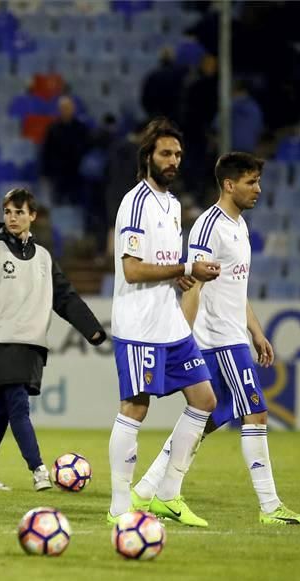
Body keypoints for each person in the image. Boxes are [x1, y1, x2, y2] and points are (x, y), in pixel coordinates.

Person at [131, 152, 300, 525]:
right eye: (251, 182)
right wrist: (180, 336)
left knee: (208, 418)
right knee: (257, 412)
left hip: (233, 335)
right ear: (229, 184)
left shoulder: (239, 226)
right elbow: (194, 284)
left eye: (258, 182)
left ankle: (147, 491)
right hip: (217, 339)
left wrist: (256, 330)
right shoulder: (208, 226)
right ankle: (270, 507)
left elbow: (234, 285)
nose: (258, 189)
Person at [106, 118, 221, 527]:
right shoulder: (135, 202)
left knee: (206, 401)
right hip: (138, 323)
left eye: (177, 155)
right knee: (135, 408)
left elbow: (166, 266)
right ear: (148, 157)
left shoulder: (172, 206)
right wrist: (185, 265)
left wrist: (181, 274)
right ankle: (120, 506)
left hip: (169, 321)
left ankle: (167, 494)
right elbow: (133, 271)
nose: (173, 161)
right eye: (165, 154)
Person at [0, 188, 106, 492]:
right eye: (8, 212)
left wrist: (92, 329)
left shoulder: (43, 257)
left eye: (19, 212)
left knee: (2, 410)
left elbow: (65, 297)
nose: (12, 218)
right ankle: (39, 470)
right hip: (1, 341)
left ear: (33, 215)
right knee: (18, 406)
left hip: (32, 343)